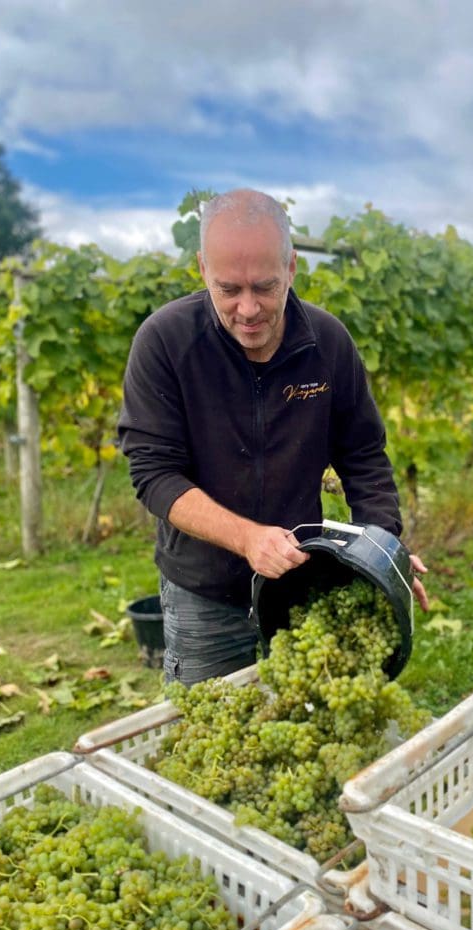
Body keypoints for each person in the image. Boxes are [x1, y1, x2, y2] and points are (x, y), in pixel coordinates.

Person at [118, 188, 428, 685]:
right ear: (202, 269)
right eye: (228, 289)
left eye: (264, 286)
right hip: (206, 597)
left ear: (291, 268)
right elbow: (154, 474)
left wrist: (384, 550)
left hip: (301, 586)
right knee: (206, 739)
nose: (248, 309)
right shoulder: (165, 342)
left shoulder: (328, 344)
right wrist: (247, 538)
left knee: (307, 720)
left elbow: (364, 456)